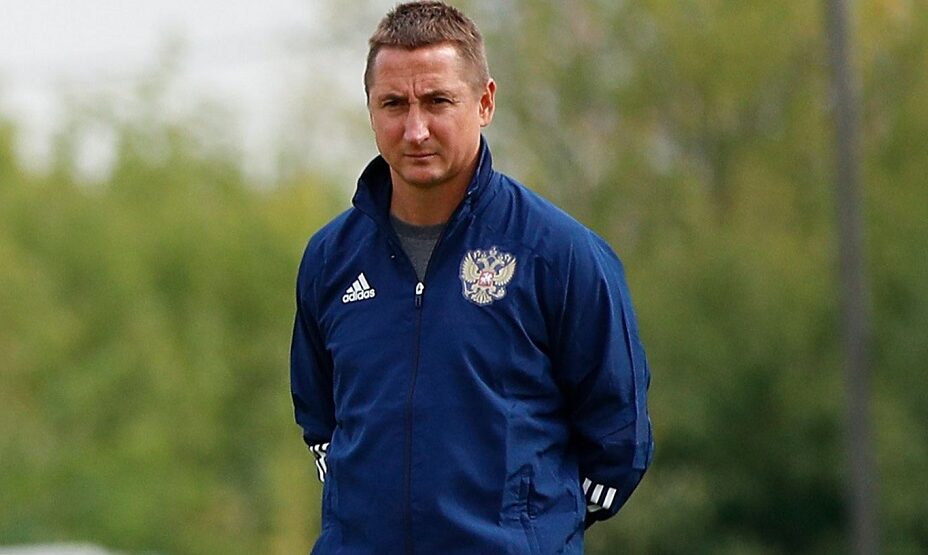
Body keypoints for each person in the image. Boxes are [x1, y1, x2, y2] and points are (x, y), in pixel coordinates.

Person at [290, 2, 653, 553]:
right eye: (394, 103)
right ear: (370, 109)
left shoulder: (560, 254)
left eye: (437, 101)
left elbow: (617, 440)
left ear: (484, 103)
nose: (415, 129)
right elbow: (322, 424)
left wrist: (531, 531)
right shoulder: (329, 258)